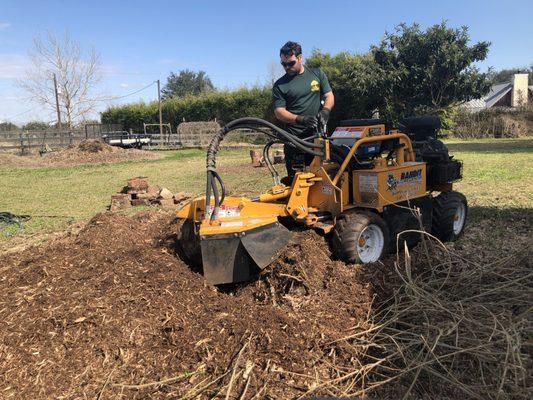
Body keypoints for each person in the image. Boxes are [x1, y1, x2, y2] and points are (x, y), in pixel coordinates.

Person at [272, 41, 334, 180]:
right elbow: (279, 111)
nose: (287, 67)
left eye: (291, 63)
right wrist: (300, 119)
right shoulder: (280, 85)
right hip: (294, 140)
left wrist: (326, 111)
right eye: (283, 64)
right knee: (297, 182)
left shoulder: (316, 74)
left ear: (300, 58)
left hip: (317, 139)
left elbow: (329, 95)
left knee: (320, 180)